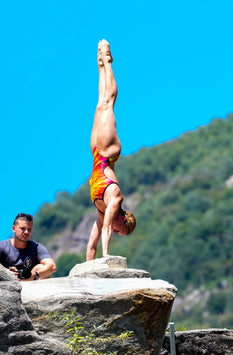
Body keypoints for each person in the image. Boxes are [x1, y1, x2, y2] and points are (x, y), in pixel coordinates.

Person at [87, 39, 136, 260]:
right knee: (109, 101)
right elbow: (106, 229)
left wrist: (87, 268)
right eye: (121, 230)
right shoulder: (115, 199)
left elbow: (91, 243)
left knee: (100, 103)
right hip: (108, 153)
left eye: (118, 233)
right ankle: (108, 60)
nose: (116, 232)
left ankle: (100, 64)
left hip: (96, 153)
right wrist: (106, 257)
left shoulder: (101, 211)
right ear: (124, 219)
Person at [0, 213, 57, 281]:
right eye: (22, 229)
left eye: (29, 229)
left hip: (31, 286)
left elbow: (52, 267)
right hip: (5, 286)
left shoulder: (37, 247)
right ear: (14, 228)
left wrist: (33, 275)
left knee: (41, 267)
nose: (26, 232)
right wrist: (6, 271)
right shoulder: (0, 246)